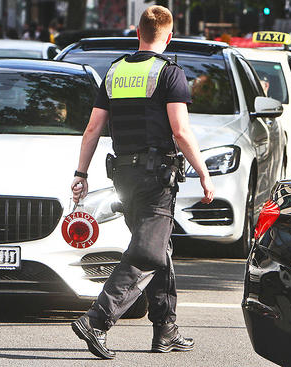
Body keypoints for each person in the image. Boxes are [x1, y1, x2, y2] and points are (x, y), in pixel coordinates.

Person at [69, 5, 214, 360]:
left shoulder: (115, 71)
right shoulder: (170, 73)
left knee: (158, 248)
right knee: (148, 252)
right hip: (155, 177)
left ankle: (166, 331)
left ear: (138, 33)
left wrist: (81, 174)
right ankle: (98, 319)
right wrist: (204, 172)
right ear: (169, 35)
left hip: (123, 177)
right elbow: (180, 131)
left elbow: (92, 128)